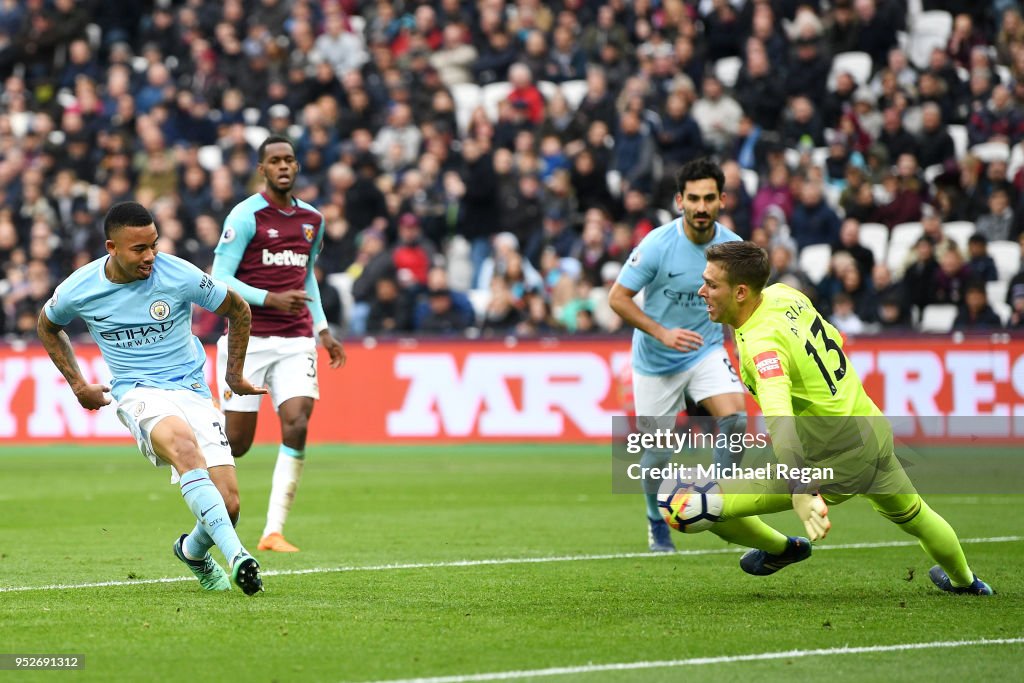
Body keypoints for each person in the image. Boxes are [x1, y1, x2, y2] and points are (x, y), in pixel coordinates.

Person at [693, 241, 993, 595]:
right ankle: (968, 583)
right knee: (915, 515)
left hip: (835, 461)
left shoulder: (762, 346)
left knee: (692, 503)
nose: (702, 291)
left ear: (741, 292)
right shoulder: (783, 294)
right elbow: (833, 337)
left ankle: (782, 550)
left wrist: (801, 488)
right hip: (871, 430)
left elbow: (780, 418)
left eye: (711, 284)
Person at [37, 201, 265, 595]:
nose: (150, 256)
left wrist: (233, 375)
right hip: (137, 391)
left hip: (191, 388)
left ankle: (192, 552)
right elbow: (47, 325)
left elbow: (238, 309)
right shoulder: (80, 288)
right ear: (112, 247)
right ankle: (239, 557)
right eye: (139, 249)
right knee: (181, 445)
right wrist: (78, 384)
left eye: (154, 245)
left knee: (228, 506)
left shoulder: (178, 274)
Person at [212, 135, 346, 553]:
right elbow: (220, 277)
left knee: (298, 422)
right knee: (238, 443)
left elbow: (306, 278)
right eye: (275, 160)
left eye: (289, 159)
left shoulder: (312, 220)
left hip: (295, 339)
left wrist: (323, 330)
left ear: (297, 167)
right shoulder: (246, 216)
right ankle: (198, 440)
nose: (283, 166)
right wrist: (269, 299)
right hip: (247, 339)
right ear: (262, 169)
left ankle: (273, 531)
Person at [609, 158, 747, 553]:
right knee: (657, 454)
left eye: (709, 198)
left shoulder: (733, 249)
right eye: (693, 199)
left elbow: (747, 305)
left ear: (721, 200)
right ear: (679, 201)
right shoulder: (657, 244)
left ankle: (718, 505)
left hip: (705, 349)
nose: (701, 207)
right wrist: (661, 332)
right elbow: (617, 298)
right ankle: (656, 518)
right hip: (656, 360)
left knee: (735, 418)